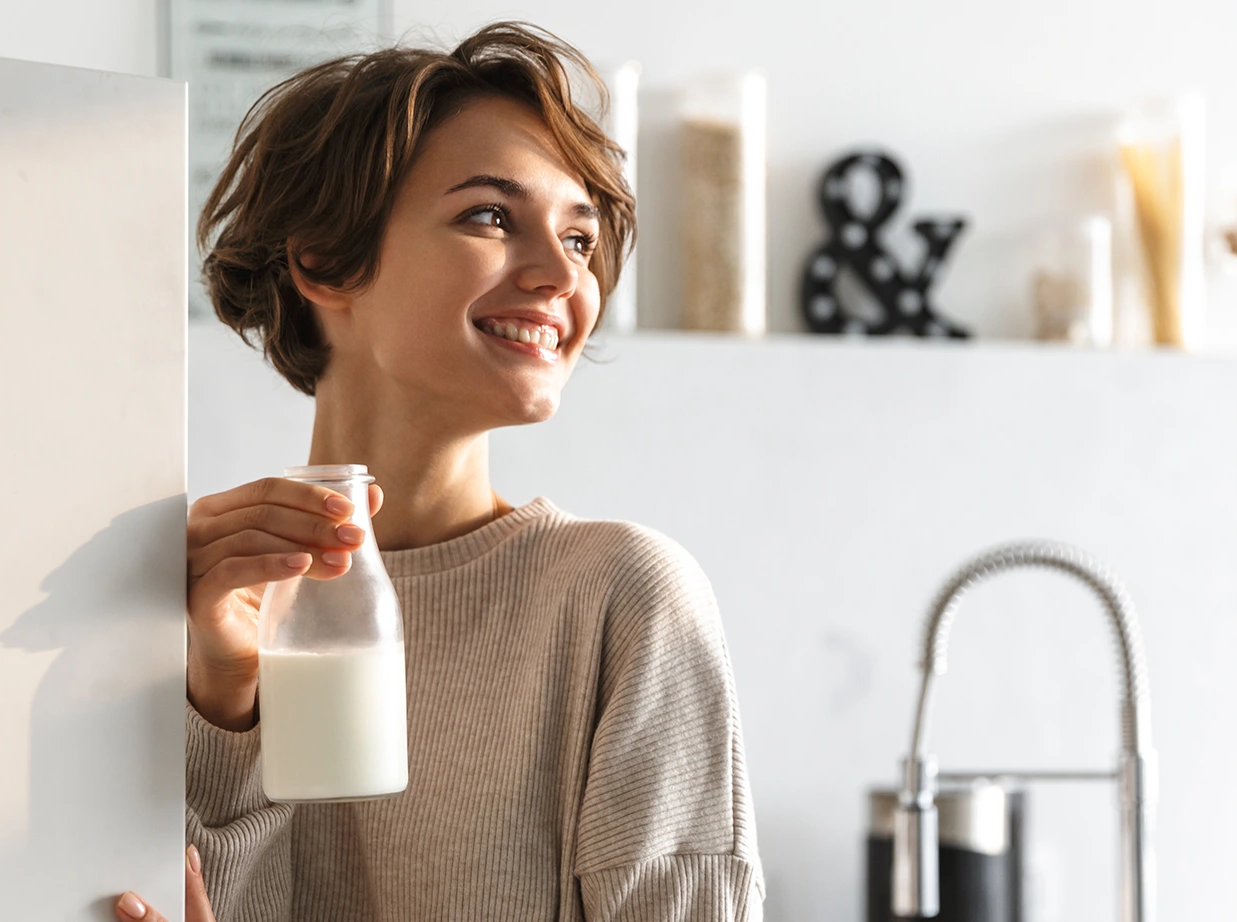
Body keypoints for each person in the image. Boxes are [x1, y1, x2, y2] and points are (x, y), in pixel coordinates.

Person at [115, 21, 763, 922]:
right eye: (491, 216)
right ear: (325, 262)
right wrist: (221, 704)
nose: (560, 278)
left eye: (579, 240)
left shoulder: (623, 597)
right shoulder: (185, 604)